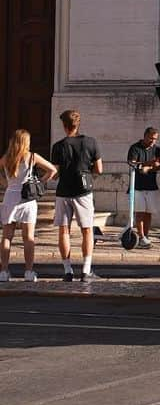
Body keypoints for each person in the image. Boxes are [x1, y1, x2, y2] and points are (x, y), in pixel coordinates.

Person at [51, 109, 102, 283]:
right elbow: (99, 169)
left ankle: (67, 270)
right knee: (87, 230)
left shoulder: (58, 146)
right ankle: (86, 271)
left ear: (64, 126)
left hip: (63, 192)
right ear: (78, 124)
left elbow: (55, 172)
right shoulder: (91, 142)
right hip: (83, 192)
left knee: (63, 230)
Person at [1, 130, 58, 283]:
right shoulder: (32, 156)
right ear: (26, 142)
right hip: (27, 198)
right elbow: (52, 169)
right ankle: (28, 272)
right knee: (28, 238)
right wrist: (40, 182)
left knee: (6, 237)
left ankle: (4, 272)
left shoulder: (6, 158)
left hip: (10, 196)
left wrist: (5, 184)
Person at [126, 126, 160, 247]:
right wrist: (148, 164)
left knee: (148, 212)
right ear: (145, 136)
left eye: (155, 139)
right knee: (140, 212)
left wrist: (149, 167)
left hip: (151, 185)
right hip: (137, 185)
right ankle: (141, 236)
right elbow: (132, 163)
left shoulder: (156, 149)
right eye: (151, 138)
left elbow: (159, 165)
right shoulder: (135, 148)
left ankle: (146, 235)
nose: (153, 141)